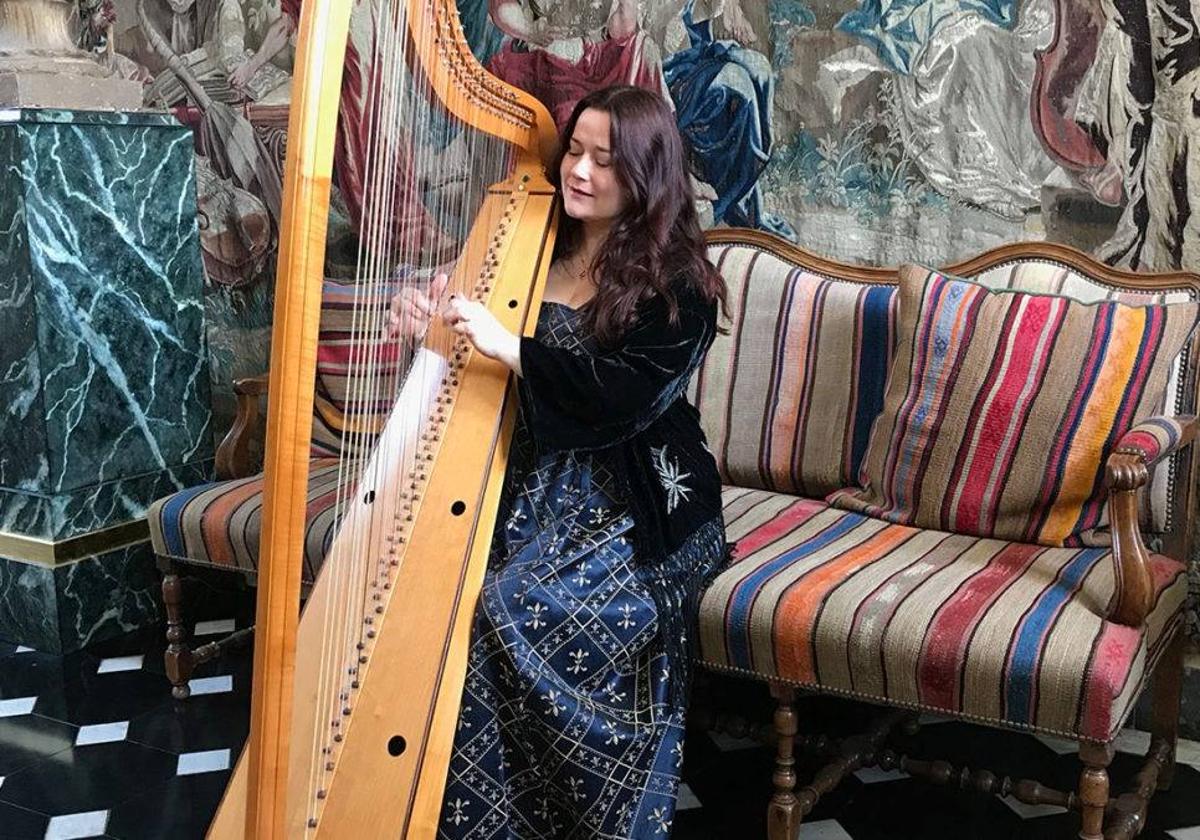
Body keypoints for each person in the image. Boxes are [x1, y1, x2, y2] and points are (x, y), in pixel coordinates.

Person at [387, 85, 729, 838]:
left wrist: (506, 342)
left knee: (510, 604)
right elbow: (477, 365)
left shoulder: (681, 285)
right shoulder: (528, 243)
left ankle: (589, 815)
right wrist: (431, 330)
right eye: (574, 150)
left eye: (603, 161)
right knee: (453, 593)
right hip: (526, 476)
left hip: (634, 491)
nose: (577, 171)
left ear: (645, 174)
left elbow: (622, 399)